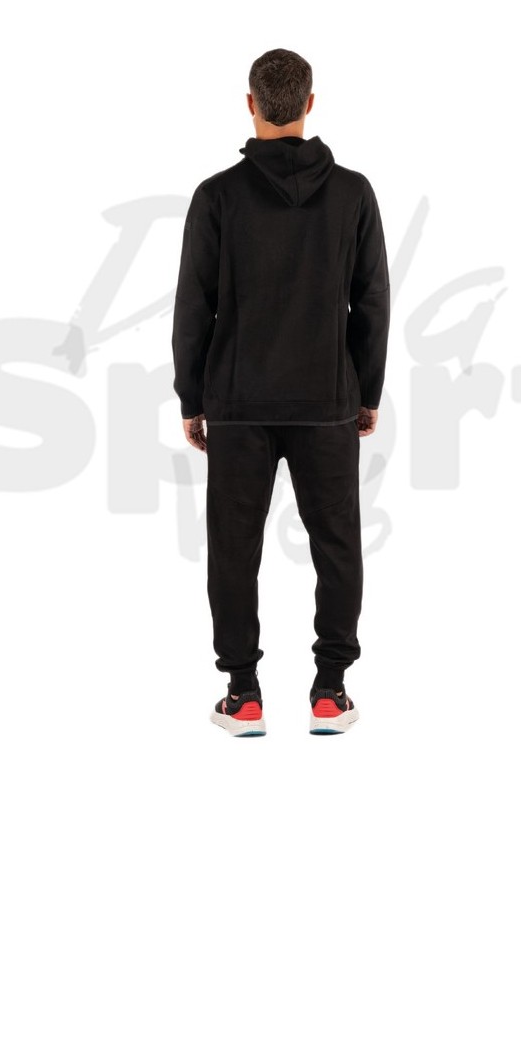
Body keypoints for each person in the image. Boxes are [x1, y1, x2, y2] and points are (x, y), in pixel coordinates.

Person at [172, 48, 390, 737]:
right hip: (327, 400)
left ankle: (244, 695)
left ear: (251, 105)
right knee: (338, 544)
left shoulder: (217, 197)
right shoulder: (353, 194)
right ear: (309, 104)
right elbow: (372, 301)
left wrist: (191, 398)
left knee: (233, 549)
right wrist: (367, 391)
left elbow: (192, 306)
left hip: (238, 403)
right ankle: (330, 692)